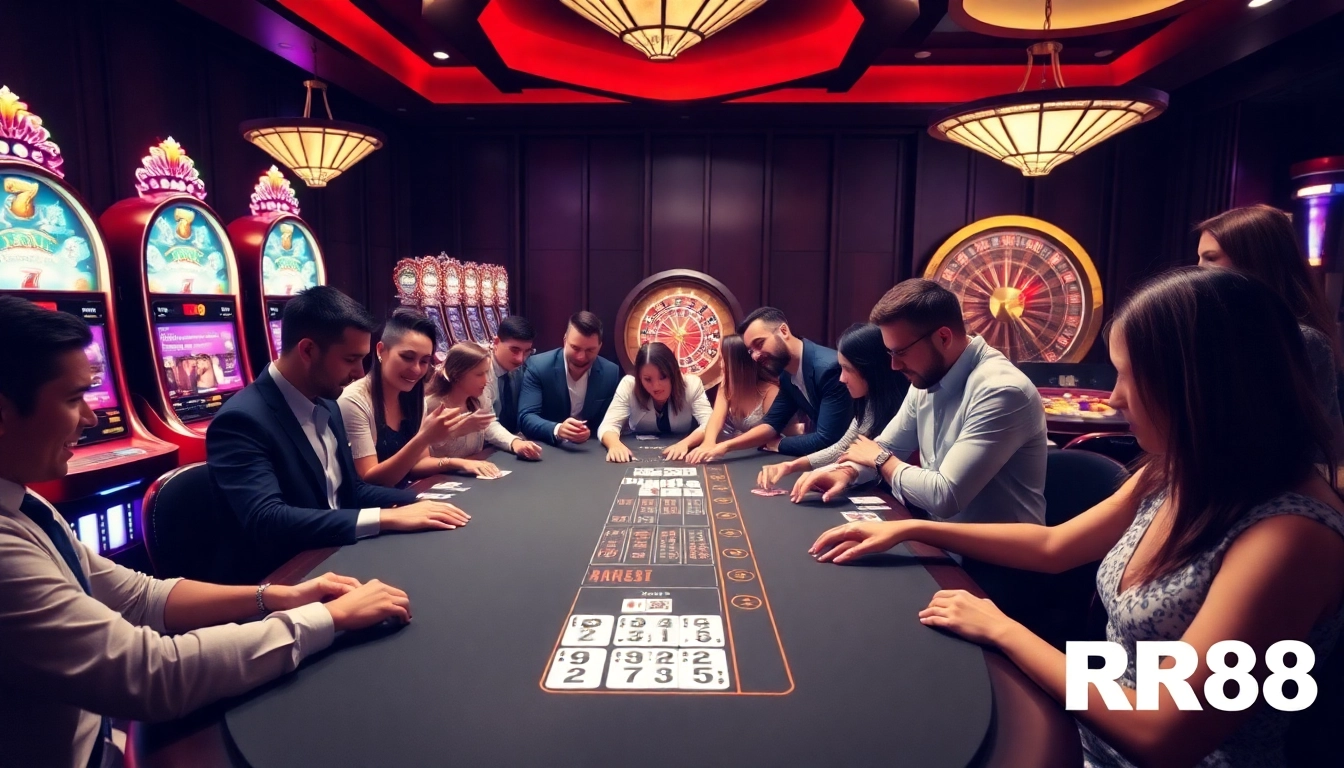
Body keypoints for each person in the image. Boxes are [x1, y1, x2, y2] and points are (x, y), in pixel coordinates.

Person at [809, 267, 1344, 768]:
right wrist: (910, 527)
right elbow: (1054, 547)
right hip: (1087, 730)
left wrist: (1004, 630)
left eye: (1130, 377)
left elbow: (1165, 733)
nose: (1113, 399)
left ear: (1205, 385)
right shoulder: (1174, 469)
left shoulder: (1291, 537)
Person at [0, 295, 415, 768]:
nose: (93, 417)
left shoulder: (26, 503)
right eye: (75, 399)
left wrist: (276, 597)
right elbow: (148, 674)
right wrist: (330, 620)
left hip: (102, 734)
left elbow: (139, 597)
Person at [207, 286, 470, 584]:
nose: (360, 372)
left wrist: (418, 500)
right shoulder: (241, 420)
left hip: (335, 550)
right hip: (281, 578)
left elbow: (350, 490)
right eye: (350, 360)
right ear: (307, 350)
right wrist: (384, 518)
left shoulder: (329, 405)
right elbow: (267, 520)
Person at [790, 279, 1046, 527]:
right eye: (890, 353)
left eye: (901, 352)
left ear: (943, 338)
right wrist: (847, 472)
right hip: (945, 543)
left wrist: (881, 460)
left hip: (994, 563)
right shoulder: (924, 379)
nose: (894, 365)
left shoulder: (1001, 390)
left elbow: (945, 496)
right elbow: (888, 445)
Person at [1196, 203, 1344, 452]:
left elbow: (1309, 449)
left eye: (1210, 258)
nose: (1198, 268)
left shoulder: (1301, 340)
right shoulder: (1219, 327)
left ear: (1253, 261)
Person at [338, 308, 481, 488]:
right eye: (407, 357)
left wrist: (458, 463)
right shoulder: (354, 401)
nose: (416, 370)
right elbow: (369, 479)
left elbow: (417, 464)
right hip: (372, 508)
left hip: (404, 495)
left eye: (424, 361)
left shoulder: (414, 398)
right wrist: (424, 438)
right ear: (381, 351)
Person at [756, 323, 908, 490]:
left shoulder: (903, 406)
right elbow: (842, 447)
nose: (842, 379)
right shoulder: (870, 402)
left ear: (871, 370)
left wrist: (837, 472)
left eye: (847, 369)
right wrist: (791, 466)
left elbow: (877, 460)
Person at [688, 307, 852, 461]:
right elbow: (771, 425)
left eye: (759, 344)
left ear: (783, 331)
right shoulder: (787, 374)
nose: (755, 356)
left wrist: (778, 444)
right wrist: (724, 446)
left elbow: (827, 438)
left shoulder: (829, 369)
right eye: (750, 351)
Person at [426, 343, 543, 475]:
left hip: (471, 469)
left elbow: (488, 425)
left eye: (487, 372)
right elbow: (421, 460)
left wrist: (514, 442)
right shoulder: (430, 406)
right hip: (439, 477)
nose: (486, 380)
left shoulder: (479, 398)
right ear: (457, 375)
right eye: (480, 374)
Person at [517, 311, 622, 447]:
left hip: (591, 450)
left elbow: (612, 421)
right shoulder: (538, 366)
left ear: (600, 346)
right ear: (565, 340)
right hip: (548, 448)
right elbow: (526, 417)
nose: (581, 357)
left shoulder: (610, 373)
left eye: (590, 350)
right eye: (575, 348)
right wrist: (558, 429)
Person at [597, 341, 714, 462]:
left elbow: (711, 425)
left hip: (680, 458)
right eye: (647, 379)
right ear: (639, 377)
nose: (656, 386)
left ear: (673, 372)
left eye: (663, 377)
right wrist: (615, 445)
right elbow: (608, 426)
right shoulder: (629, 386)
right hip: (639, 454)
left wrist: (685, 443)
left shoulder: (692, 385)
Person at [688, 335, 779, 466]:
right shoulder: (727, 385)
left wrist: (725, 446)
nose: (720, 365)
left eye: (722, 360)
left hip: (767, 455)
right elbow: (716, 418)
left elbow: (767, 433)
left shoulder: (771, 391)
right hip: (739, 452)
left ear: (738, 364)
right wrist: (708, 443)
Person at [489, 315, 536, 435]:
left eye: (527, 352)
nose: (521, 359)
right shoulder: (477, 371)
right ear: (496, 342)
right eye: (515, 350)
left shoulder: (524, 369)